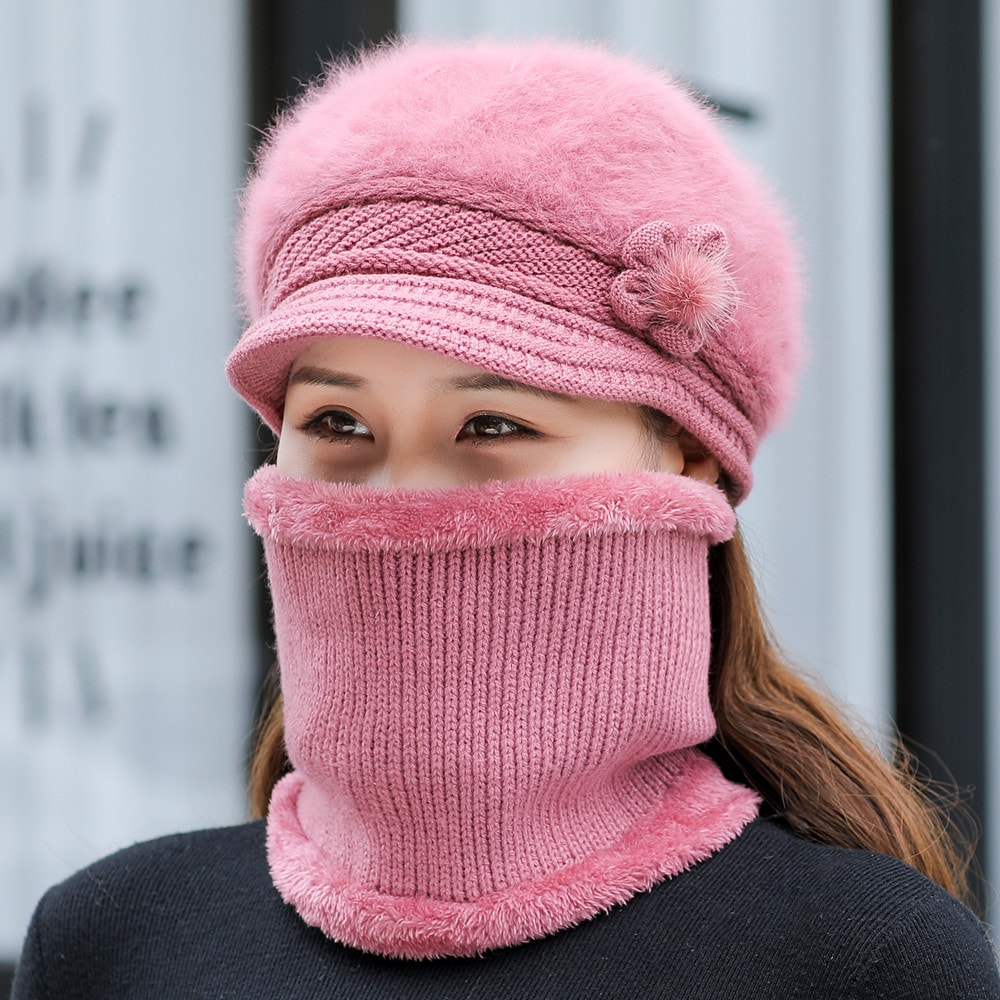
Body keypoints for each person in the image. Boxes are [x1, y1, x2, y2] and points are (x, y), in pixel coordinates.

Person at [12, 39, 1000, 999]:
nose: (394, 498)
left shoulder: (861, 962)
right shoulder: (113, 941)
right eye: (337, 422)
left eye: (491, 422)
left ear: (687, 458)